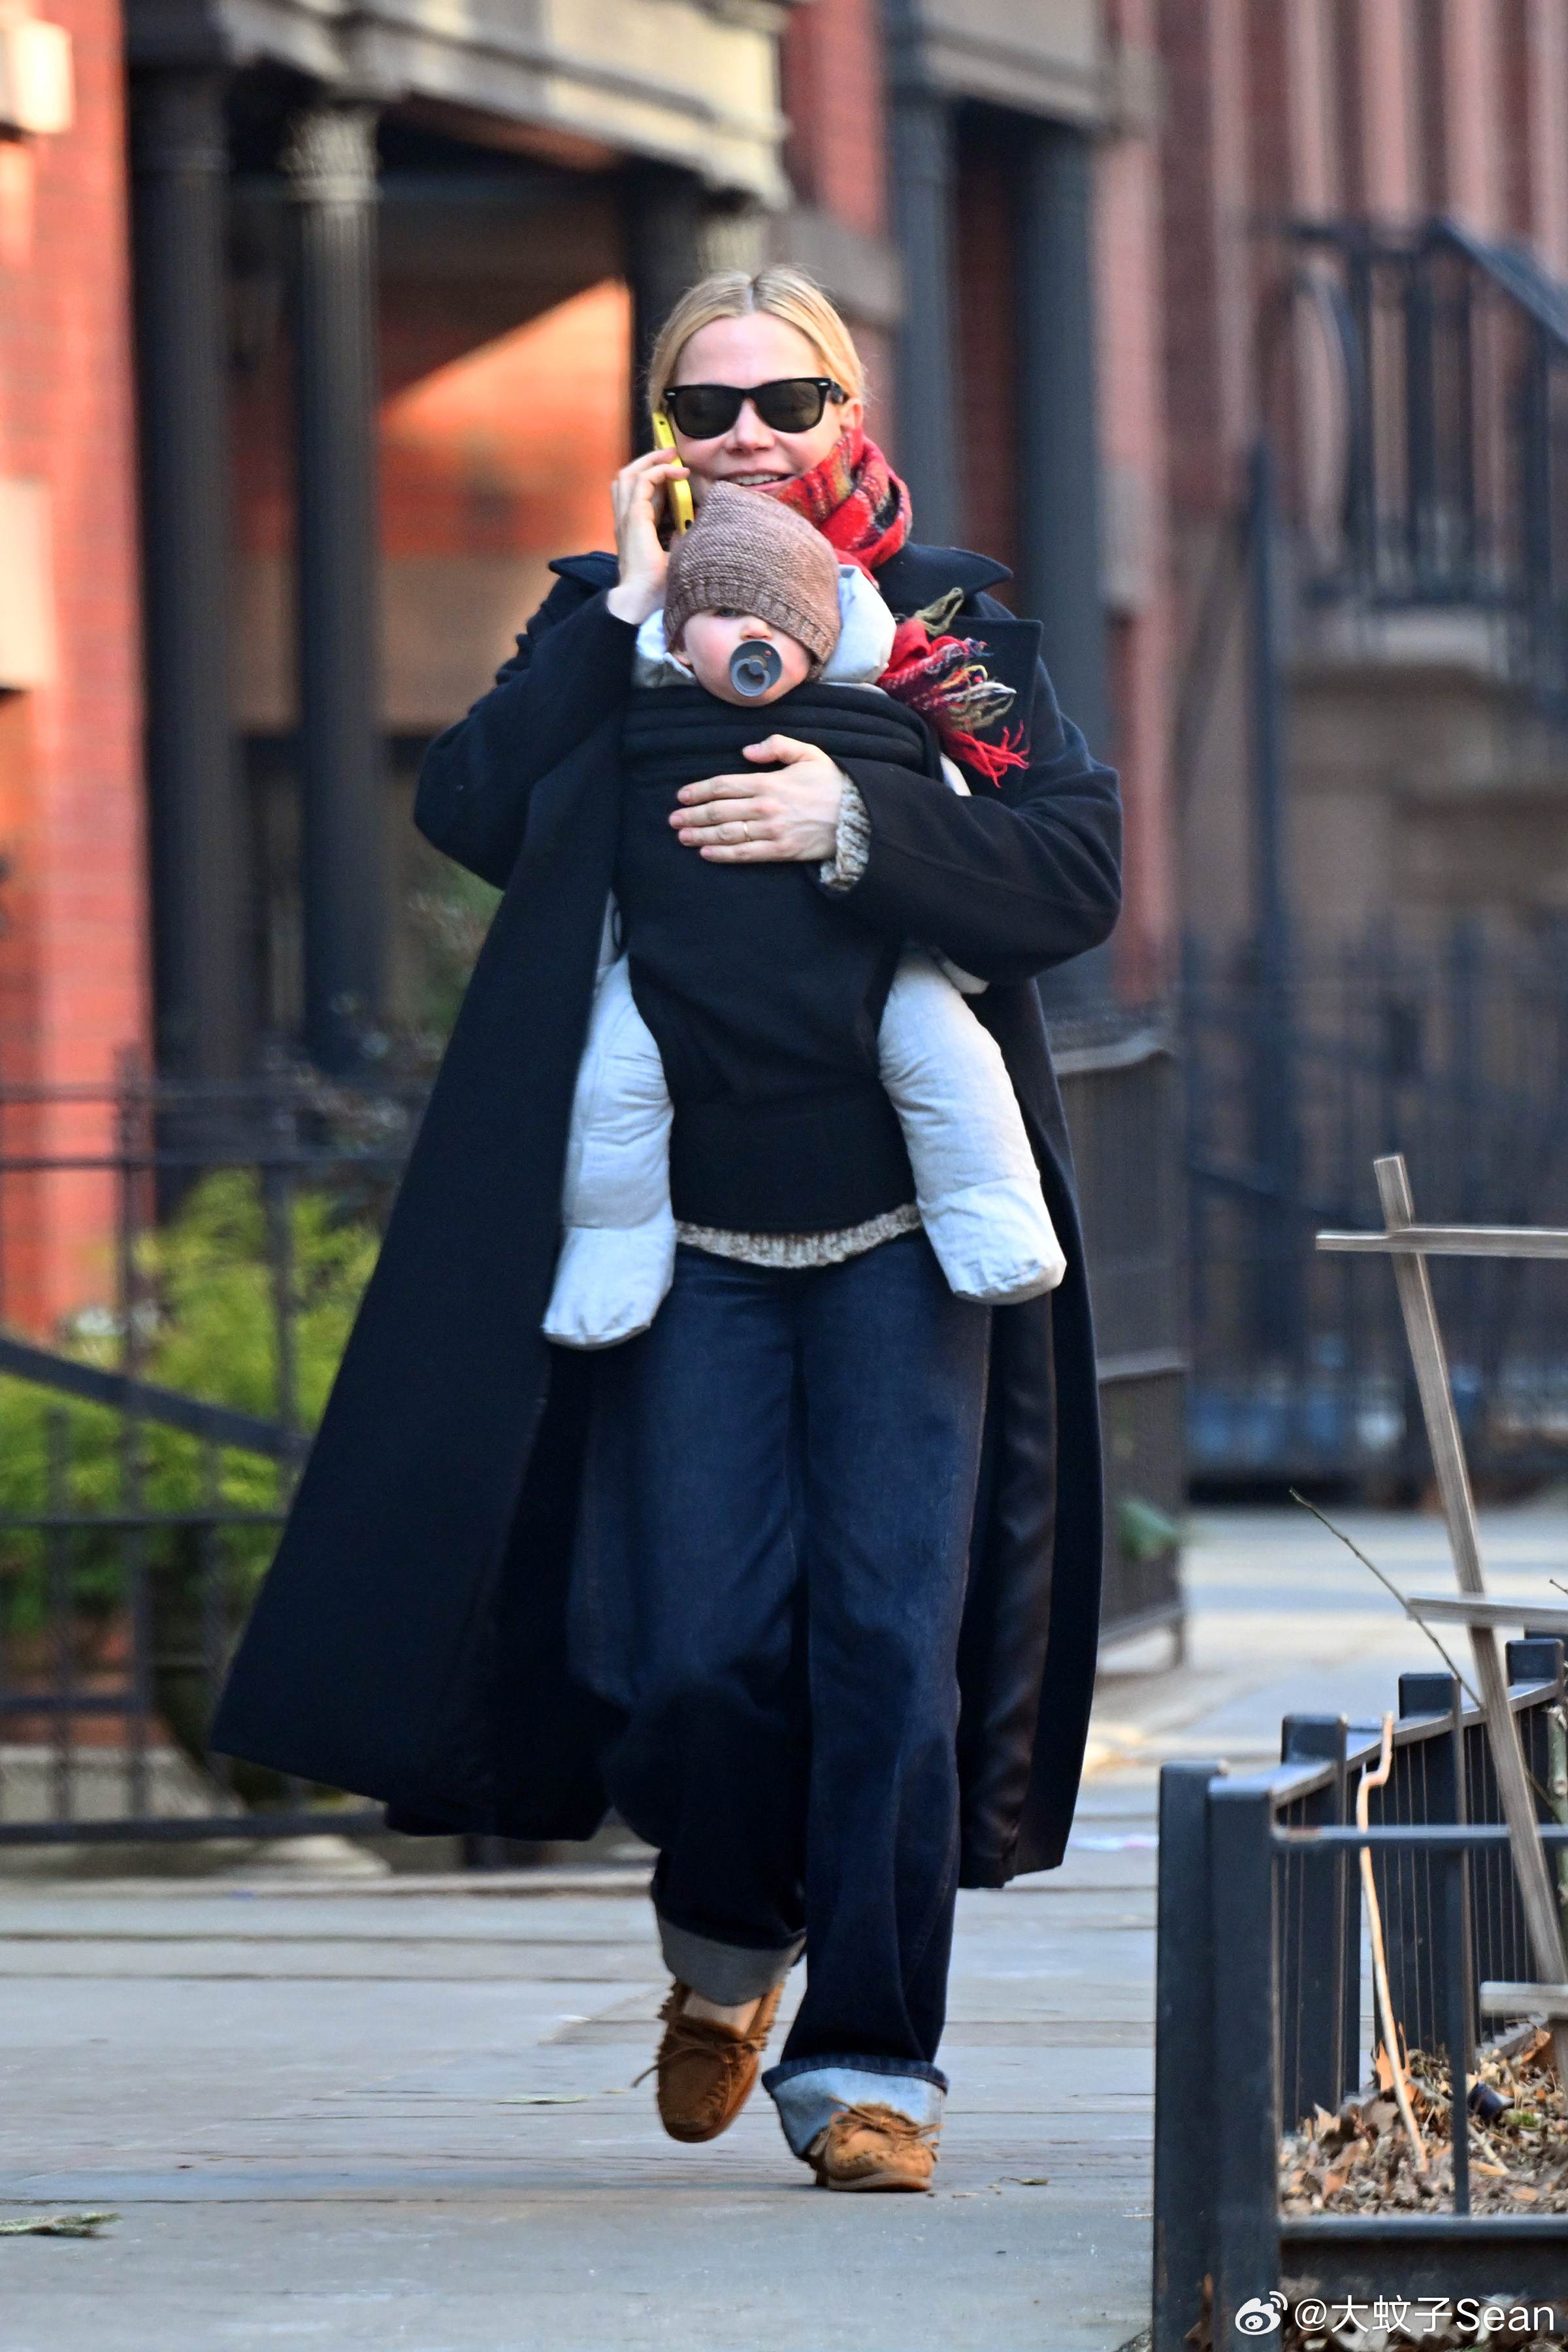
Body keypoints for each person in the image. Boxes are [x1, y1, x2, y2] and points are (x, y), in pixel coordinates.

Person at [212, 267, 1121, 2195]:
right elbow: (470, 808)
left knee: (887, 1646)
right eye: (707, 408)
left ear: (848, 409)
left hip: (906, 1235)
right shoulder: (603, 622)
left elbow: (1071, 868)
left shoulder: (944, 630)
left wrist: (855, 828)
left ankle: (872, 2069)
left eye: (787, 400)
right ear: (660, 430)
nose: (749, 437)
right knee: (689, 1656)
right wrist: (623, 607)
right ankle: (727, 1938)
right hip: (680, 1239)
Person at [543, 480, 1066, 1352]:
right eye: (721, 614)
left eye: (781, 618)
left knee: (954, 1063)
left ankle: (993, 1219)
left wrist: (871, 833)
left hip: (871, 978)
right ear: (674, 639)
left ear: (825, 638)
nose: (753, 632)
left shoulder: (889, 719)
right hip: (673, 982)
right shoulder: (634, 725)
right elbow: (575, 861)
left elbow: (977, 824)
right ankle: (611, 1253)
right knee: (612, 1094)